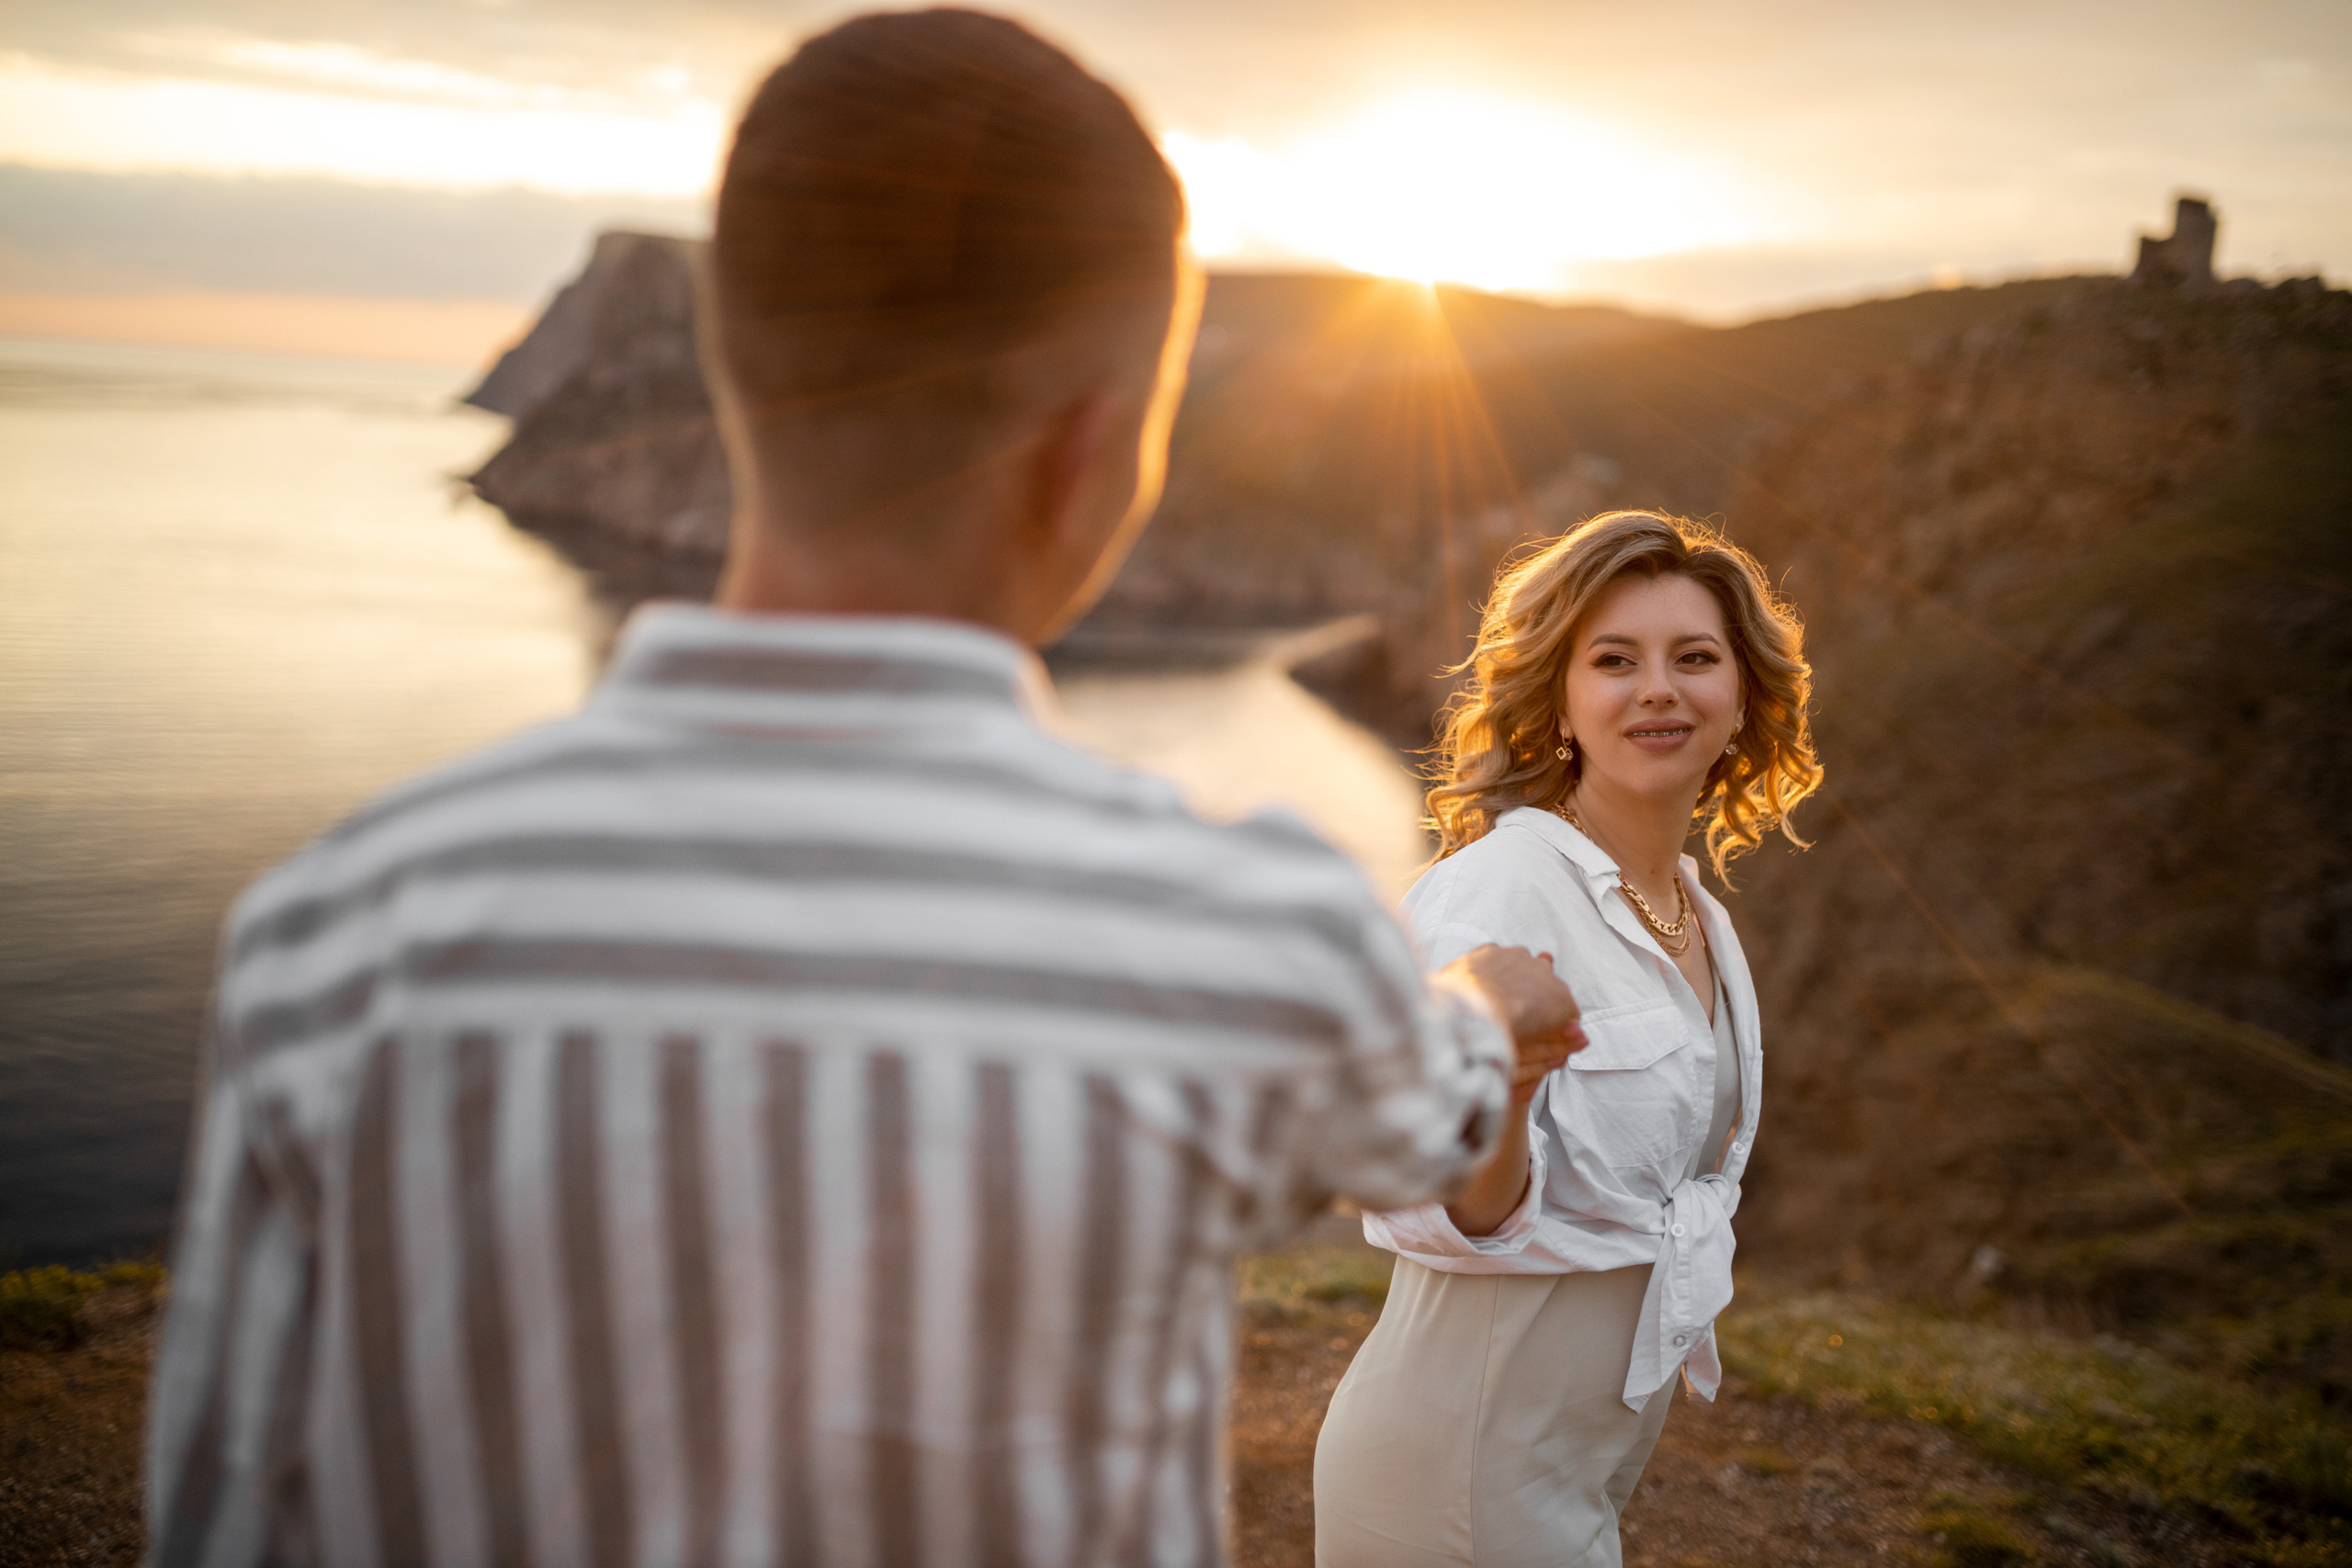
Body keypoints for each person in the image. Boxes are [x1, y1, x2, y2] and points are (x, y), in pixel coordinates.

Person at [142, 11, 1584, 1566]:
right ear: (1089, 451)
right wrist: (1494, 1006)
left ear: (731, 377)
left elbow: (225, 1513)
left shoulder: (336, 935)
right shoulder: (1245, 932)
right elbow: (1428, 1111)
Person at [1313, 512, 1824, 1568]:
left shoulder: (1692, 910)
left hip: (1581, 1458)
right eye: (1613, 661)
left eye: (1693, 658)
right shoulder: (1493, 895)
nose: (1657, 690)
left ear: (1743, 696)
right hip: (1455, 1471)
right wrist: (1497, 1085)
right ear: (1560, 697)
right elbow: (1428, 1200)